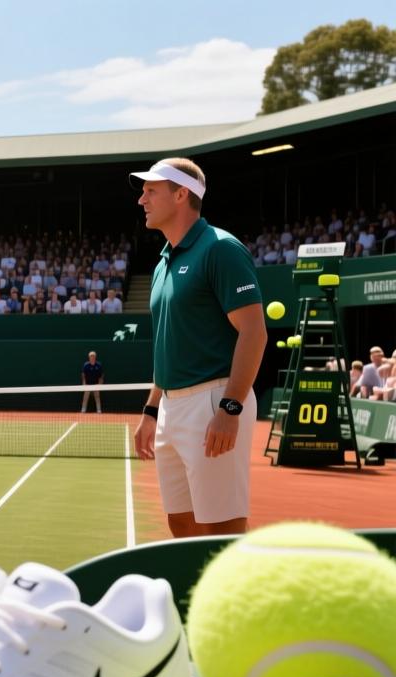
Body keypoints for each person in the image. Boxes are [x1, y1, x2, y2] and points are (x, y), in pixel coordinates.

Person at [131, 158, 266, 538]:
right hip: (170, 407)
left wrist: (230, 407)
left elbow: (254, 333)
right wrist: (151, 410)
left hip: (213, 401)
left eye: (151, 190)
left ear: (181, 195)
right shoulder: (163, 262)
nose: (142, 199)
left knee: (221, 526)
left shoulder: (221, 249)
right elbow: (169, 344)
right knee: (181, 523)